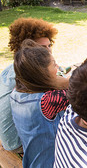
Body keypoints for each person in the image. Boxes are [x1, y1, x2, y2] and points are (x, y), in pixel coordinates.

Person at [0, 17, 58, 153]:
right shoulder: (30, 76)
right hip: (18, 142)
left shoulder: (11, 68)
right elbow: (68, 86)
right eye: (42, 48)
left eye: (49, 46)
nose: (49, 52)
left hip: (10, 136)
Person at [10, 39, 70, 167]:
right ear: (41, 74)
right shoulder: (47, 102)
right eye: (54, 65)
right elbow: (83, 89)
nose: (58, 67)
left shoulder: (16, 92)